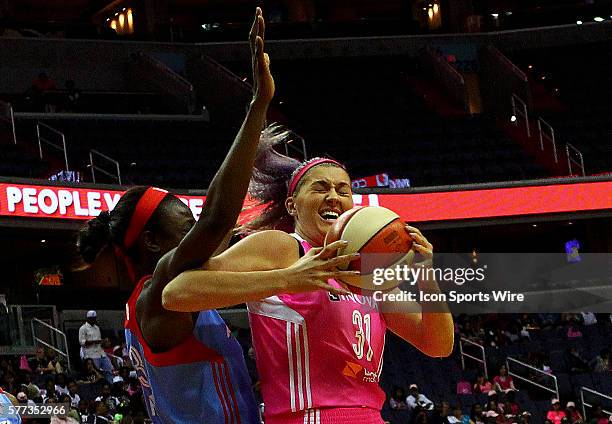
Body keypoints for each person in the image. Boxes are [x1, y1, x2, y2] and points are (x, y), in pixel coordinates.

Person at [76, 8, 349, 424]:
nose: (198, 234)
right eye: (186, 225)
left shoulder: (174, 299)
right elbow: (218, 220)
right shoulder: (159, 290)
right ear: (152, 241)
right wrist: (258, 106)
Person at [164, 137, 454, 422]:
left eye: (343, 190)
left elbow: (438, 345)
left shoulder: (369, 271)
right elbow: (177, 293)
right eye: (321, 187)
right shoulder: (283, 248)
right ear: (292, 205)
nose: (333, 196)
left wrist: (427, 277)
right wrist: (288, 279)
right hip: (307, 417)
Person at [79, 311, 113, 382]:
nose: (94, 320)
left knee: (109, 370)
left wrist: (104, 342)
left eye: (94, 318)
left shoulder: (97, 328)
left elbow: (99, 342)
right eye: (92, 318)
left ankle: (110, 386)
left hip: (101, 353)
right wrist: (96, 341)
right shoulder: (83, 328)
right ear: (88, 318)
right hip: (91, 355)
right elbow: (82, 342)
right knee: (95, 373)